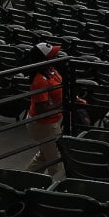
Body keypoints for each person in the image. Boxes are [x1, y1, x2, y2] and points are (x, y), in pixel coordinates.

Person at [27, 43, 65, 177]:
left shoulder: (52, 70)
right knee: (55, 162)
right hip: (44, 124)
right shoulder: (39, 81)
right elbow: (41, 110)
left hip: (53, 120)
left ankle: (25, 179)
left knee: (44, 156)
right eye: (52, 56)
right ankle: (53, 189)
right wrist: (62, 103)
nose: (56, 57)